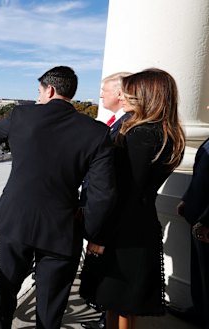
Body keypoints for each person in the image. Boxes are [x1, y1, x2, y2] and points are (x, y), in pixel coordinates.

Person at [0, 66, 117, 329]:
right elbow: (103, 193)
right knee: (51, 304)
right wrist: (93, 234)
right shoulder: (96, 132)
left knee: (4, 292)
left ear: (50, 89)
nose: (38, 97)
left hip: (15, 222)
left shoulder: (23, 115)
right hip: (61, 229)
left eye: (39, 92)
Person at [80, 68, 186, 329]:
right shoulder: (167, 134)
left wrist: (99, 236)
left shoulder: (140, 136)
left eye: (130, 92)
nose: (123, 96)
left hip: (123, 233)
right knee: (122, 303)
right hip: (138, 225)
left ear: (146, 96)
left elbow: (125, 193)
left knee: (120, 301)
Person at [81, 71, 132, 329]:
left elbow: (111, 181)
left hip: (111, 220)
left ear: (120, 94)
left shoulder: (126, 127)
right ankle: (105, 319)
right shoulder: (120, 123)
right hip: (113, 218)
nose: (100, 95)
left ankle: (105, 321)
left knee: (112, 281)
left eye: (104, 90)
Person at [176, 117, 209, 329]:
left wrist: (206, 221)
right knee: (200, 275)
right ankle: (200, 312)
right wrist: (187, 199)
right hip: (197, 215)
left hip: (205, 222)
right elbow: (202, 176)